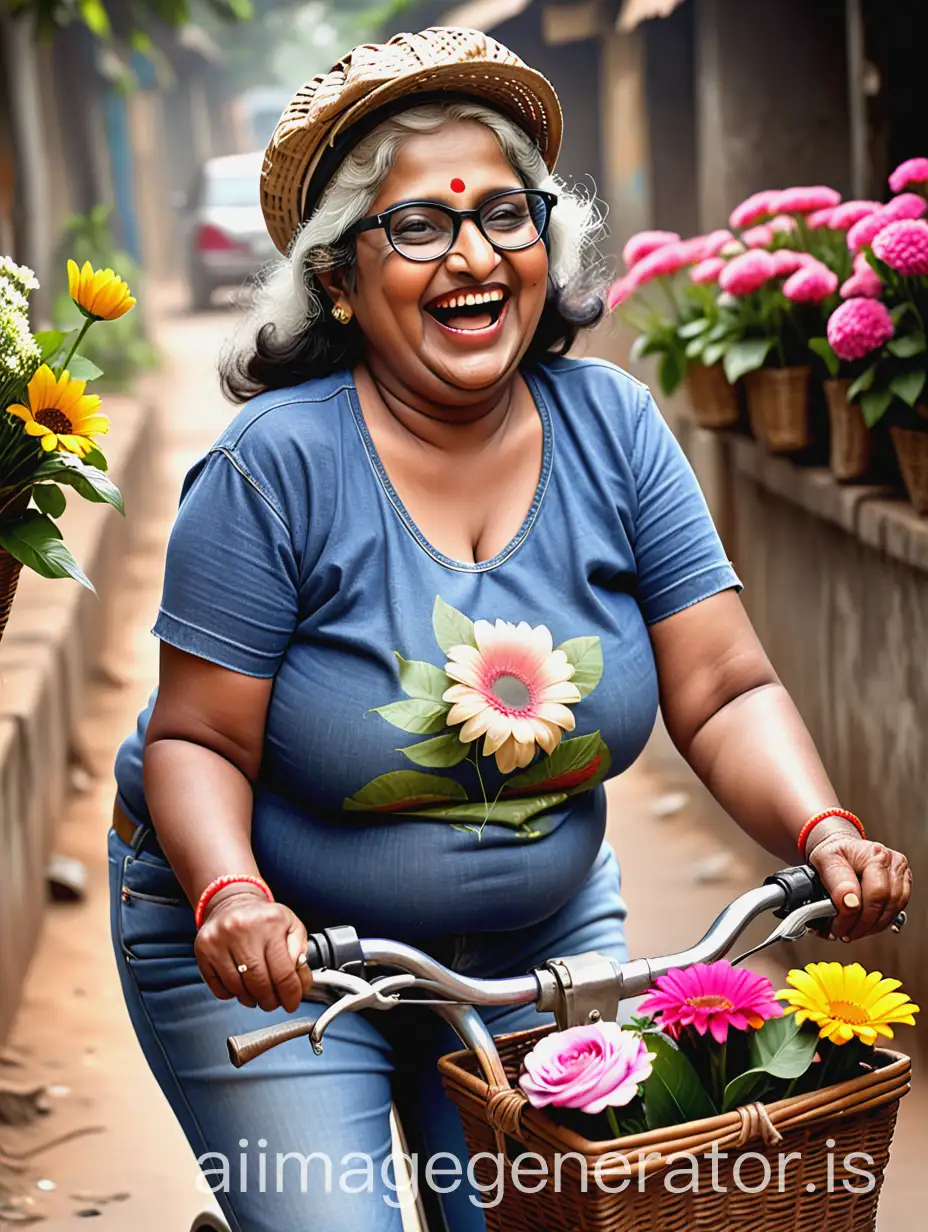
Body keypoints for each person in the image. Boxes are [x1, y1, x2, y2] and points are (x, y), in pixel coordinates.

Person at [107, 26, 911, 1232]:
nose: (472, 253)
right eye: (418, 225)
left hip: (536, 941)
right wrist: (231, 893)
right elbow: (198, 742)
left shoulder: (616, 427)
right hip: (267, 948)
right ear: (338, 276)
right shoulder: (270, 466)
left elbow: (724, 687)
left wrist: (824, 825)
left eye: (503, 214)